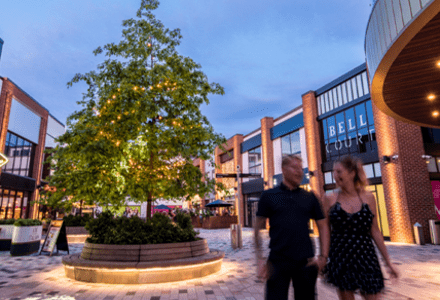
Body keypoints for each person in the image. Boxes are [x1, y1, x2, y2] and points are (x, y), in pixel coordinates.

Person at [254, 154, 330, 300]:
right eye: (294, 167)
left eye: (301, 168)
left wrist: (323, 256)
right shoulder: (269, 195)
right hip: (277, 262)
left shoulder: (310, 197)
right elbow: (257, 229)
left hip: (305, 263)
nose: (299, 171)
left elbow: (323, 226)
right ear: (283, 169)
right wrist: (260, 259)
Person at [323, 155, 399, 300]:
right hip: (341, 257)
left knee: (374, 296)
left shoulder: (368, 197)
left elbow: (375, 231)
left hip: (366, 256)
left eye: (339, 172)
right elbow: (326, 232)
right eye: (334, 172)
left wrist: (388, 262)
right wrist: (323, 258)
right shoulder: (329, 198)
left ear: (352, 173)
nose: (335, 176)